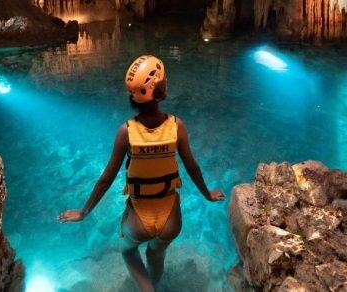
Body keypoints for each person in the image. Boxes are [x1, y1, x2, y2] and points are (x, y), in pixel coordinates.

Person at [59, 55, 224, 291]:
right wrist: (207, 194)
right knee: (156, 255)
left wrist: (83, 212)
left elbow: (106, 179)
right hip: (171, 220)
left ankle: (148, 289)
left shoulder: (125, 132)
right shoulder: (177, 126)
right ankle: (155, 282)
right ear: (161, 90)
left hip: (138, 221)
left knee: (127, 251)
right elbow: (193, 167)